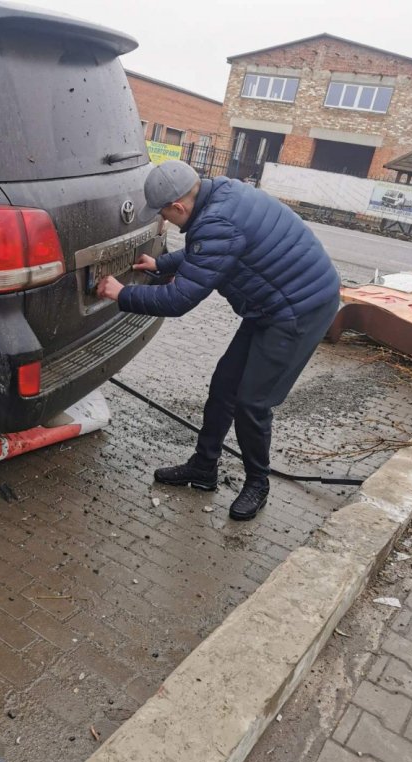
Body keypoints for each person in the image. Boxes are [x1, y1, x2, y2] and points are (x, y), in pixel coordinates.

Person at [97, 161, 340, 520]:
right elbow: (210, 250)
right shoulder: (219, 196)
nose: (163, 220)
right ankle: (203, 467)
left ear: (178, 206)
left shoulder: (217, 222)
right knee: (225, 386)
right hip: (272, 304)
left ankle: (257, 482)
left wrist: (121, 294)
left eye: (163, 213)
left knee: (252, 402)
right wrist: (163, 264)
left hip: (300, 309)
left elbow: (178, 300)